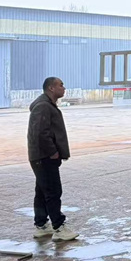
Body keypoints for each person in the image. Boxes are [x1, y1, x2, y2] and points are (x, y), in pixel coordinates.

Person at [27, 77, 78, 242]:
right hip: (44, 157)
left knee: (42, 191)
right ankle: (59, 227)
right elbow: (41, 133)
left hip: (41, 156)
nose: (64, 88)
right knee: (53, 191)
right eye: (60, 85)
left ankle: (41, 225)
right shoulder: (43, 106)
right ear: (51, 88)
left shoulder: (46, 105)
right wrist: (53, 152)